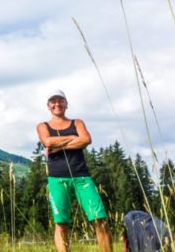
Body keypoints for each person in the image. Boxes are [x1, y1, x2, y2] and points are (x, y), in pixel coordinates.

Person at [37, 90, 112, 252]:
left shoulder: (77, 123)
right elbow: (47, 141)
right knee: (61, 223)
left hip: (82, 176)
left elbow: (86, 139)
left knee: (100, 219)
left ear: (66, 104)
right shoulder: (43, 126)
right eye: (53, 101)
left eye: (61, 100)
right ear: (48, 106)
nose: (57, 104)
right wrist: (73, 138)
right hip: (56, 178)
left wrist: (58, 146)